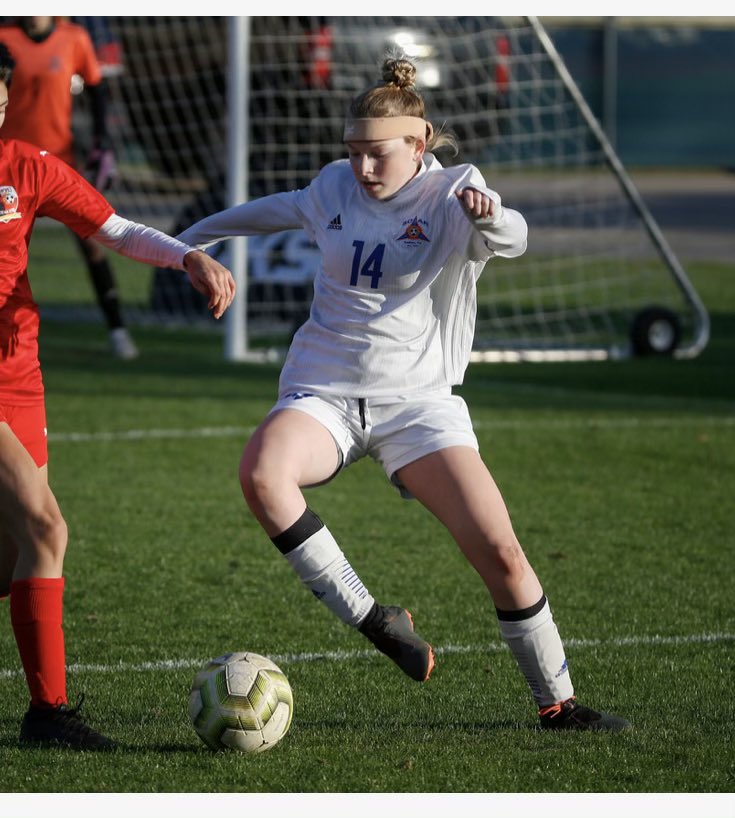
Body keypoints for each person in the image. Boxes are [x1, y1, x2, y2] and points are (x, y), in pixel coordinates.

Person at [177, 56, 630, 732]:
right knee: (262, 477)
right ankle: (375, 621)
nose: (362, 167)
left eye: (377, 153)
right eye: (353, 152)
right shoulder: (333, 185)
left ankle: (557, 704)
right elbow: (271, 211)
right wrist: (180, 243)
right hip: (322, 391)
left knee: (501, 553)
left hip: (417, 405)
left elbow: (515, 238)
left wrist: (493, 215)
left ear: (417, 146)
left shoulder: (454, 193)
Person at [0, 43, 236, 749]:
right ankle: (48, 716)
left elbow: (115, 229)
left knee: (13, 549)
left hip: (20, 376)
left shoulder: (25, 166)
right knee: (46, 529)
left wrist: (188, 254)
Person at [0, 16, 139, 359]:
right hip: (10, 171)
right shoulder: (5, 37)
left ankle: (118, 330)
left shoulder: (73, 37)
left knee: (95, 240)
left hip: (58, 164)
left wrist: (102, 142)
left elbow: (97, 90)